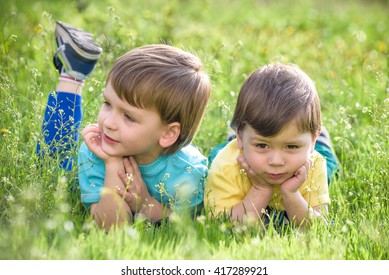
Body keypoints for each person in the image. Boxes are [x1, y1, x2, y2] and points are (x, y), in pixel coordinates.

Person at [37, 21, 211, 232]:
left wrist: (144, 202)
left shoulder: (188, 172)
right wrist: (112, 164)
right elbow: (111, 227)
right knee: (53, 161)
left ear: (168, 133)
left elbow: (183, 224)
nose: (108, 123)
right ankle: (72, 72)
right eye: (107, 104)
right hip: (78, 176)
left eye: (128, 116)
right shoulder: (94, 154)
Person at [204, 63, 339, 228]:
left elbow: (317, 228)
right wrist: (261, 189)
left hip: (308, 149)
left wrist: (291, 194)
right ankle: (239, 137)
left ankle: (318, 136)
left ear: (311, 142)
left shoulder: (315, 164)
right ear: (241, 138)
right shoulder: (225, 166)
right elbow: (222, 226)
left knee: (331, 166)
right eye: (262, 145)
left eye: (291, 146)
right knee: (216, 154)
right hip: (238, 149)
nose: (276, 161)